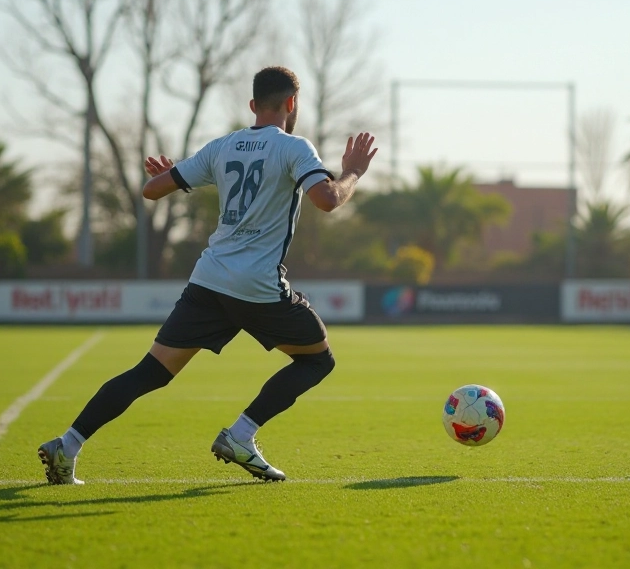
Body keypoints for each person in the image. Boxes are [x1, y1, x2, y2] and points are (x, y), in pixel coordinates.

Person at [38, 66, 377, 483]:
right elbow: (327, 200)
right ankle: (241, 434)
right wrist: (353, 172)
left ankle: (68, 444)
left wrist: (172, 177)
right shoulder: (294, 147)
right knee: (317, 361)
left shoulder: (222, 146)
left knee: (151, 371)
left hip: (209, 280)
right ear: (291, 104)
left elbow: (151, 190)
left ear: (252, 105)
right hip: (256, 286)